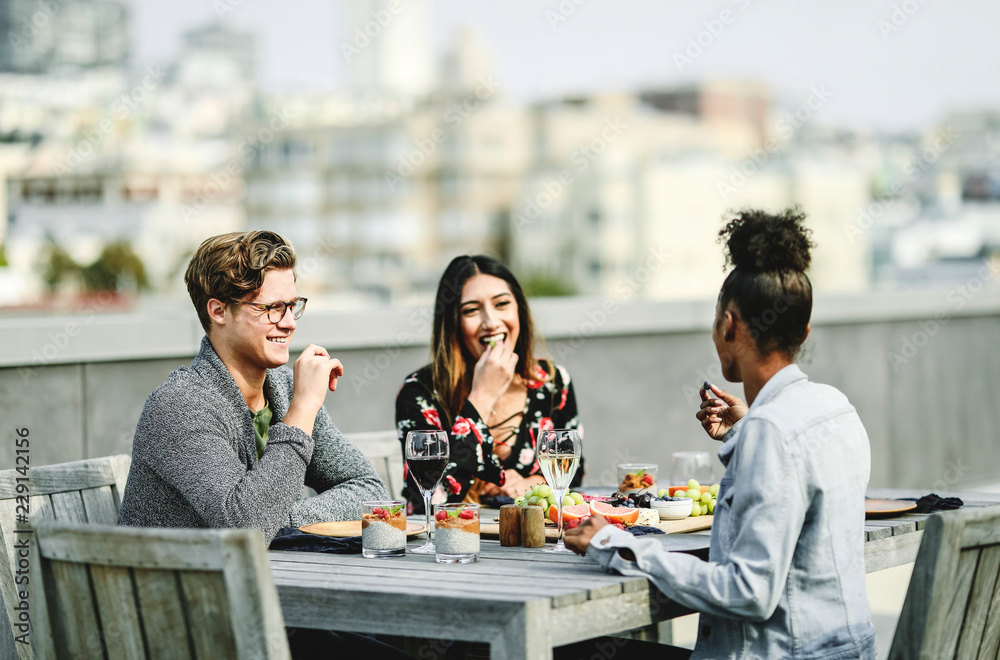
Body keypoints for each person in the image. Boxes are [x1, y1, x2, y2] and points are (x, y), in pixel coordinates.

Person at [565, 209, 877, 659]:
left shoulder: (770, 431)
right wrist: (748, 428)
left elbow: (749, 592)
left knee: (579, 652)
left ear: (728, 325)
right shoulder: (835, 407)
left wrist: (617, 545)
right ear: (802, 331)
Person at [118, 230, 389, 543]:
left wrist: (284, 518)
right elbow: (248, 527)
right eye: (272, 307)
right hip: (178, 589)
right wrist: (302, 411)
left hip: (268, 584)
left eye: (293, 305)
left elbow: (370, 491)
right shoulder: (180, 406)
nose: (290, 323)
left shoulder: (285, 388)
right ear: (218, 311)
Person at [396, 255, 582, 513]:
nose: (491, 322)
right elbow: (425, 500)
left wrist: (530, 483)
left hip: (532, 543)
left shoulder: (552, 383)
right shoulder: (420, 393)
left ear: (519, 310)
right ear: (453, 323)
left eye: (502, 304)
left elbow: (573, 474)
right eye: (471, 310)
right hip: (452, 545)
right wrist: (482, 397)